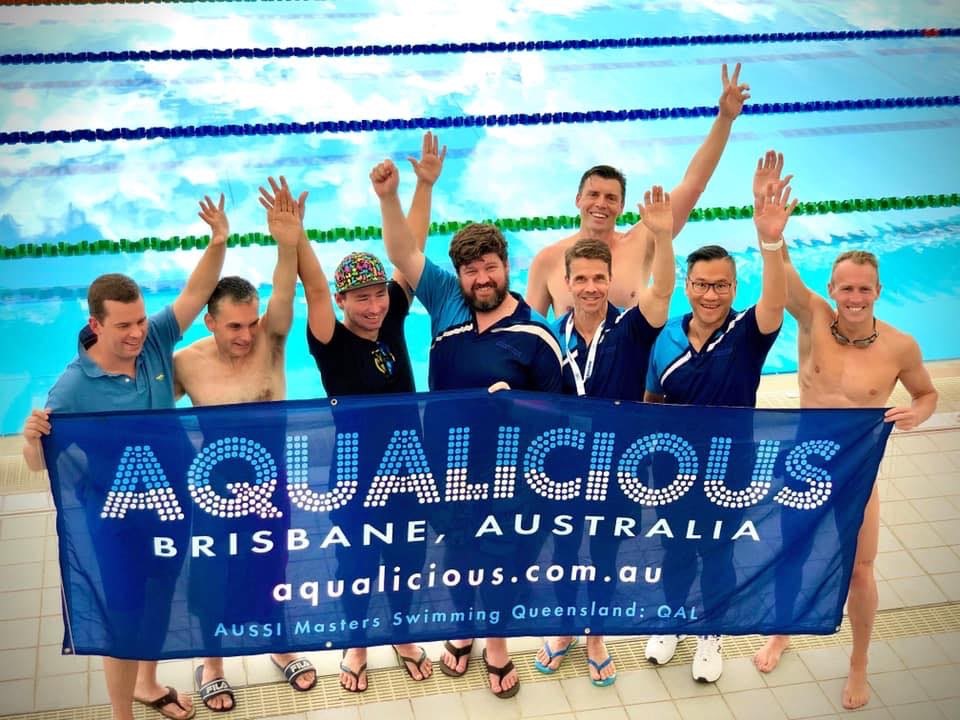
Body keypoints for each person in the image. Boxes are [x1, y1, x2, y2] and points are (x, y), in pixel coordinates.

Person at [21, 193, 230, 720]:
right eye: (123, 326)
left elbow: (196, 292)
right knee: (122, 618)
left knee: (159, 598)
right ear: (96, 325)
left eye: (139, 320)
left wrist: (219, 241)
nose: (137, 332)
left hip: (171, 506)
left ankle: (148, 684)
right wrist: (30, 438)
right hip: (115, 521)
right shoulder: (73, 387)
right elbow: (38, 463)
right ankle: (122, 714)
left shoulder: (155, 340)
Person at [750, 155, 938, 709]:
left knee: (859, 571)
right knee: (789, 555)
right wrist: (770, 235)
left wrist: (918, 412)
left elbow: (927, 394)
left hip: (857, 472)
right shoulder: (813, 319)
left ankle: (859, 664)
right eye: (846, 289)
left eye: (864, 290)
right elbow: (783, 282)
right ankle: (782, 630)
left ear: (878, 291)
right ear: (831, 289)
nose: (854, 299)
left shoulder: (900, 346)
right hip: (802, 464)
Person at [375, 157, 563, 699]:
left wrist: (518, 405)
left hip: (510, 478)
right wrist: (392, 197)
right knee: (457, 554)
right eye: (471, 270)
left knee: (502, 561)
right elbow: (402, 254)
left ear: (506, 266)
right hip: (447, 468)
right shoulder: (446, 302)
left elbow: (562, 413)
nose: (482, 279)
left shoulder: (536, 333)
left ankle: (496, 645)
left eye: (490, 267)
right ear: (459, 276)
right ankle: (462, 629)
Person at [293, 131, 446, 692]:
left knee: (407, 557)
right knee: (357, 561)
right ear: (342, 302)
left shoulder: (393, 315)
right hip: (356, 472)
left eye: (379, 294)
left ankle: (401, 633)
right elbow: (313, 287)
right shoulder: (330, 340)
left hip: (410, 467)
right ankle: (356, 644)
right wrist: (296, 238)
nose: (376, 305)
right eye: (362, 298)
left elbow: (411, 251)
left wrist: (414, 190)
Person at [642, 163, 797, 683]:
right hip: (673, 469)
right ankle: (672, 620)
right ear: (687, 285)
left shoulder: (749, 333)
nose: (711, 295)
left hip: (730, 469)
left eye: (722, 286)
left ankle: (711, 633)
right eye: (702, 285)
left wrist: (769, 241)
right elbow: (651, 401)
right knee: (674, 548)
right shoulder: (665, 336)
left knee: (718, 552)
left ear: (734, 287)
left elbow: (775, 300)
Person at [173, 182, 316, 711]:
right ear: (210, 321)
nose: (246, 334)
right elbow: (141, 405)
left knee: (271, 567)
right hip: (213, 491)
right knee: (213, 573)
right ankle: (211, 662)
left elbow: (286, 292)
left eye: (251, 322)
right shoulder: (188, 363)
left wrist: (288, 243)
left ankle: (279, 644)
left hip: (270, 486)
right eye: (234, 325)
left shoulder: (270, 344)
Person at [525, 63, 750, 318]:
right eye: (593, 195)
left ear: (621, 207)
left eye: (611, 198)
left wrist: (724, 119)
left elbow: (694, 184)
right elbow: (529, 333)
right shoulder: (547, 261)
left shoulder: (641, 243)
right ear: (578, 200)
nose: (601, 204)